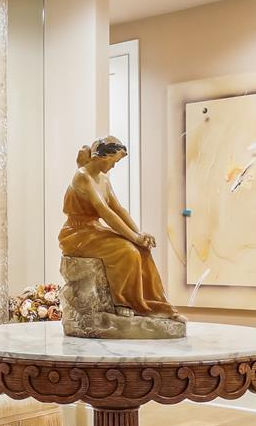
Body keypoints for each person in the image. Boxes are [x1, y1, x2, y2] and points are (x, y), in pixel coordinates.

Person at [59, 136, 178, 318]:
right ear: (102, 157)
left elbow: (119, 209)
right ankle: (122, 300)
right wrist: (133, 237)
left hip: (93, 230)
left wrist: (139, 234)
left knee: (142, 249)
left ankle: (153, 304)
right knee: (127, 251)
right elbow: (106, 212)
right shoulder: (83, 176)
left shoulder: (103, 180)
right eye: (114, 162)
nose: (114, 166)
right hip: (76, 233)